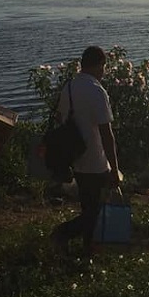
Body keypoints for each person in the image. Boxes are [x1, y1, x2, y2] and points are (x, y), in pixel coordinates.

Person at [51, 46, 122, 256]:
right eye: (103, 67)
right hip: (96, 160)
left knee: (88, 206)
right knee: (96, 211)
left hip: (76, 158)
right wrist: (114, 167)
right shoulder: (96, 90)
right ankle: (63, 233)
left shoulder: (69, 87)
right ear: (100, 65)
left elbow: (59, 119)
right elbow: (106, 133)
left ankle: (88, 247)